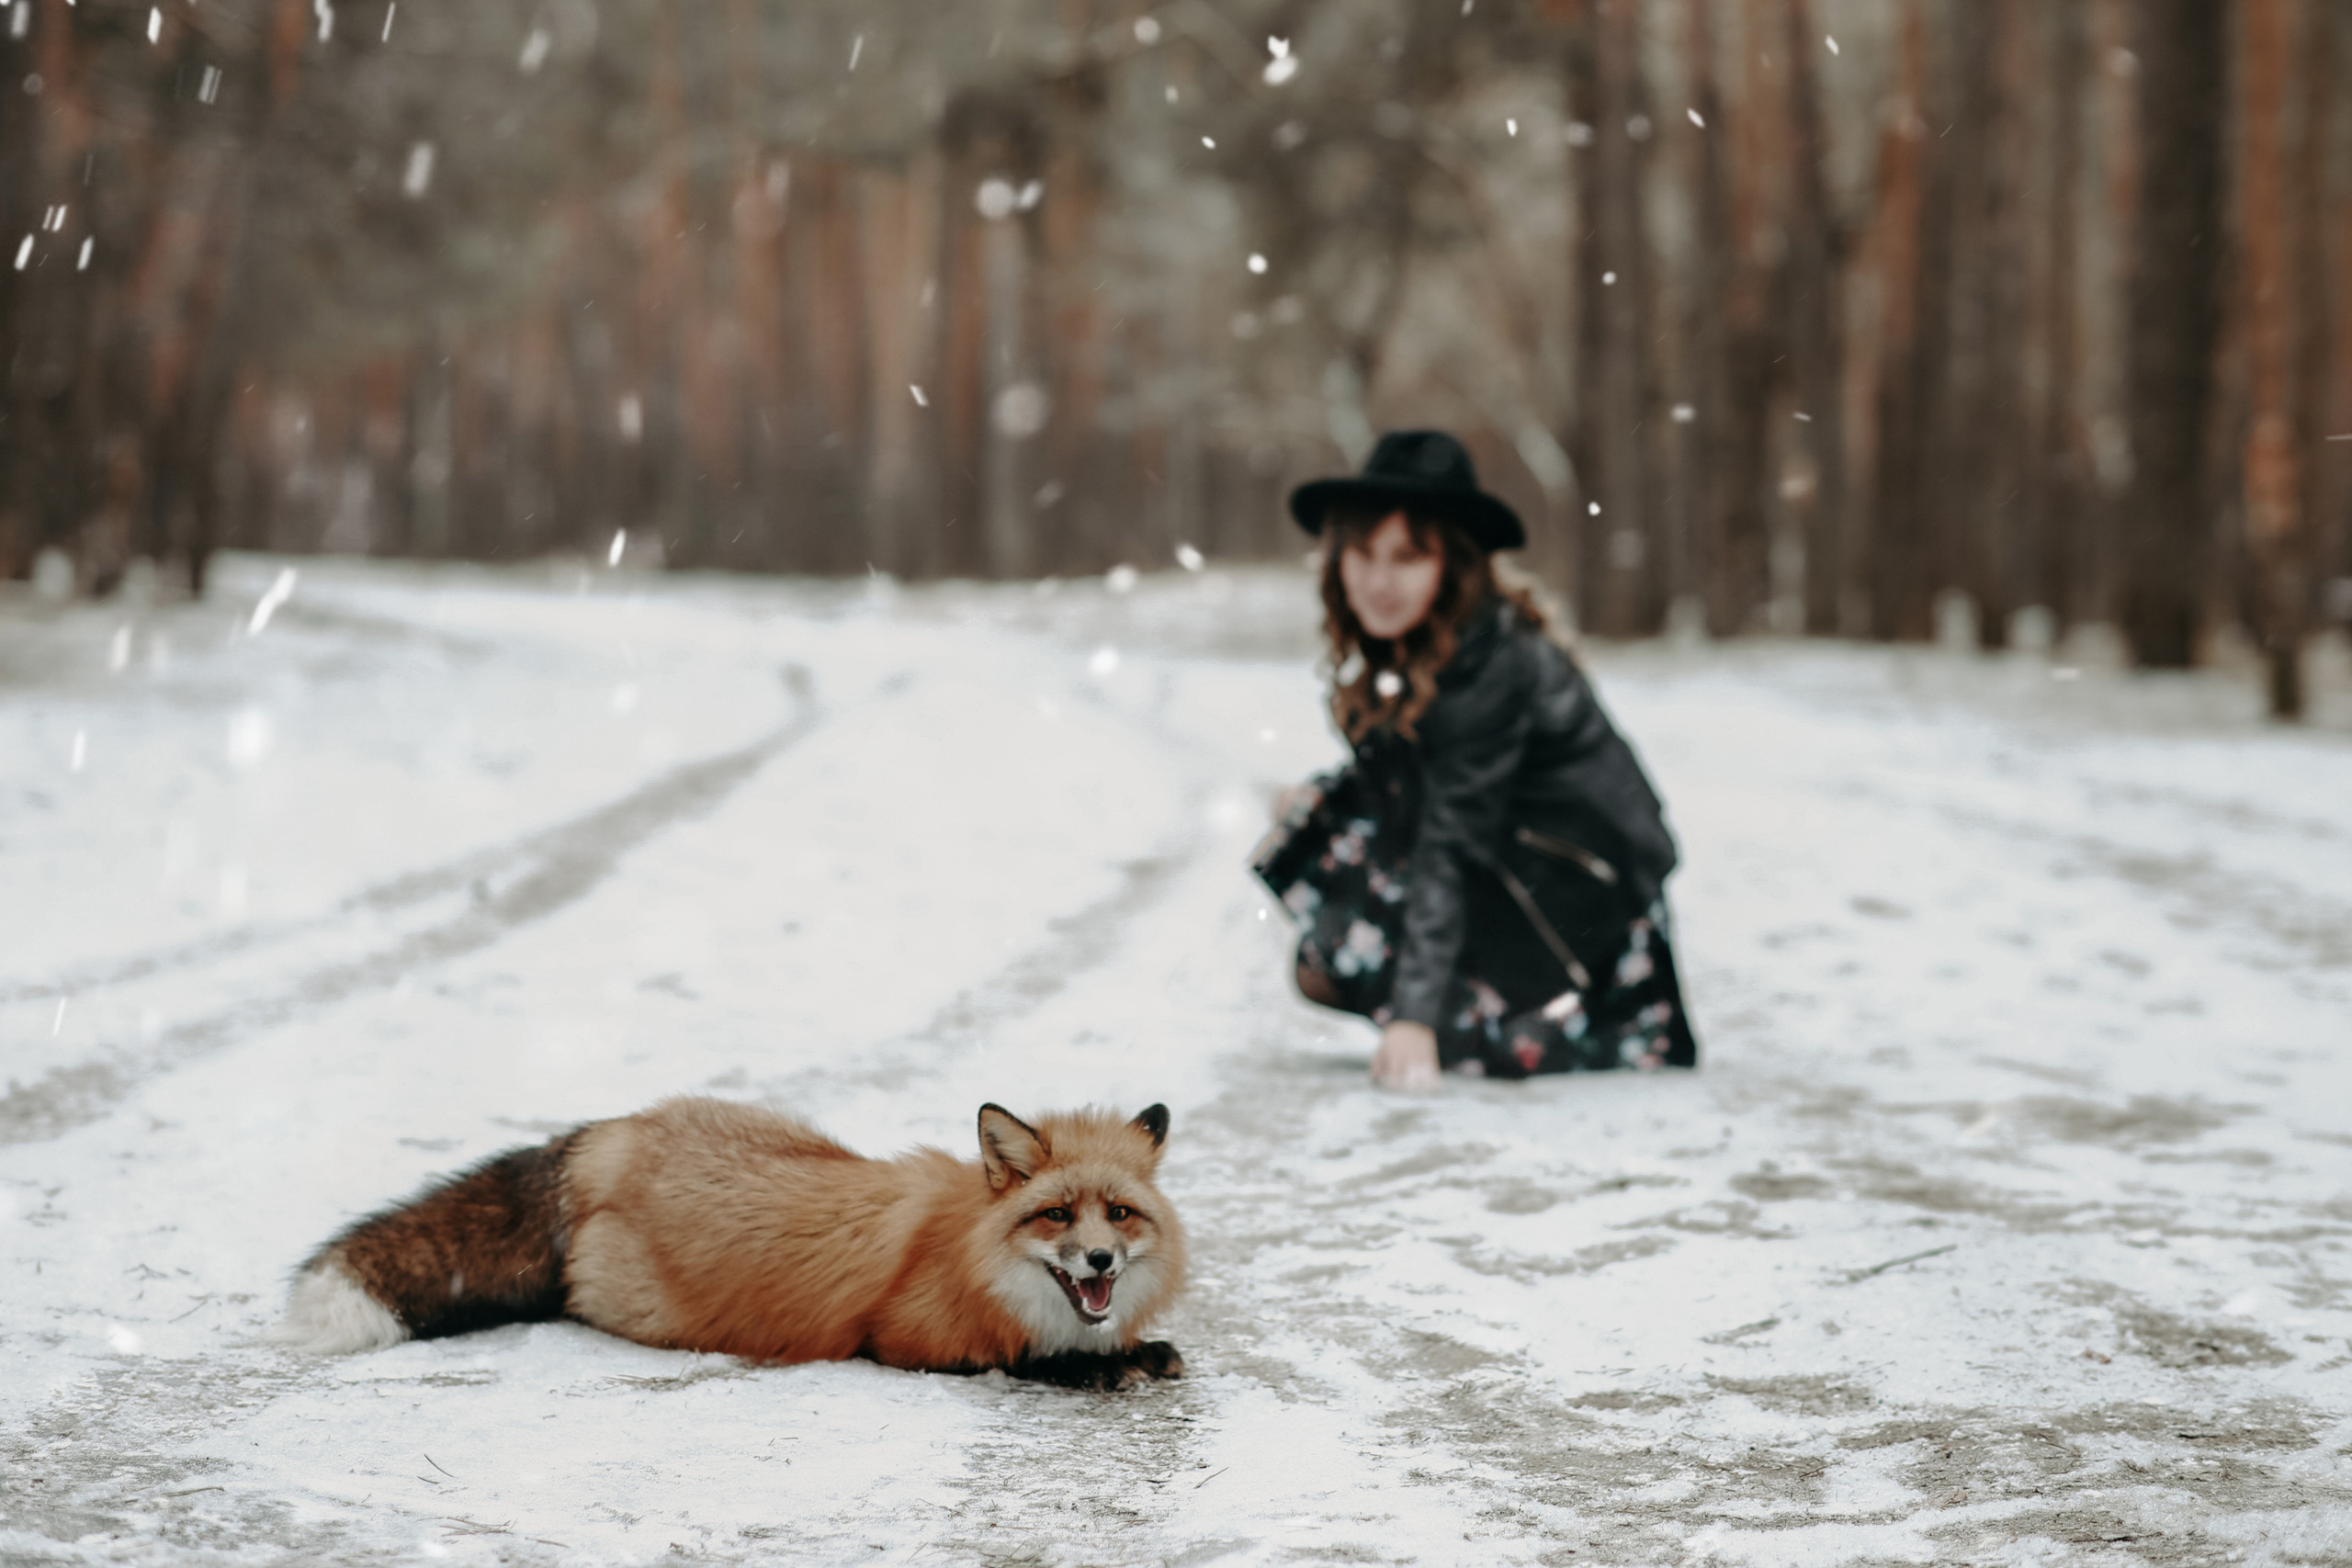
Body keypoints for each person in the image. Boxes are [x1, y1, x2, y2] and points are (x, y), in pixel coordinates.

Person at [1256, 430, 1697, 1093]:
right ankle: (1462, 1008)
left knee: (1334, 958)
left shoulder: (1492, 662)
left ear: (1452, 564)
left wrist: (1414, 1016)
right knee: (1319, 835)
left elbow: (1452, 839)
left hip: (1582, 917)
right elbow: (1408, 782)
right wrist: (1315, 802)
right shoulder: (1424, 639)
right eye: (1363, 553)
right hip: (1520, 871)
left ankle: (1491, 1018)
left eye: (1407, 556)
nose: (1379, 580)